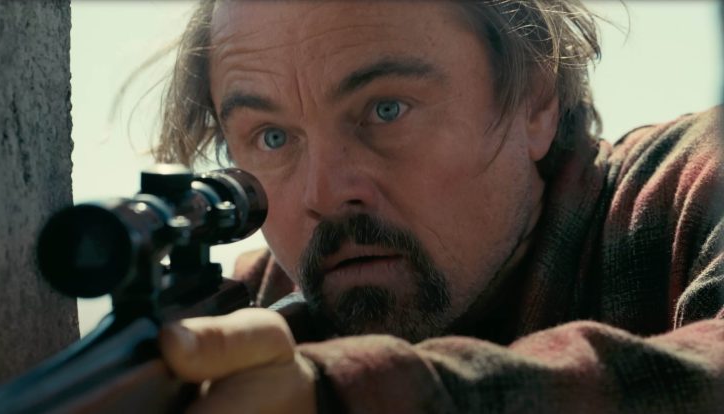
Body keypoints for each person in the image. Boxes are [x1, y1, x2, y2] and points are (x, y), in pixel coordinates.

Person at [153, 1, 724, 412]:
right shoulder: (250, 307)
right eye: (273, 138)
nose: (323, 195)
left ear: (535, 101)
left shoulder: (692, 186)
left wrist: (342, 393)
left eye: (386, 109)